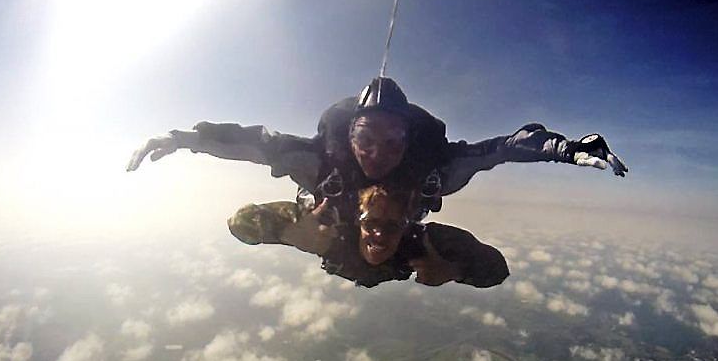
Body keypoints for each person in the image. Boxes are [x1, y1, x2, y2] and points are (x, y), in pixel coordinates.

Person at [126, 77, 628, 222]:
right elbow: (253, 143)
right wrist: (185, 138)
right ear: (348, 138)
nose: (378, 154)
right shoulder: (319, 162)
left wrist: (566, 149)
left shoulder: (436, 168)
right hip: (338, 226)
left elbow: (501, 147)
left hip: (392, 240)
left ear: (409, 142)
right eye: (365, 140)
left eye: (392, 142)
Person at [228, 183, 509, 289]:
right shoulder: (327, 229)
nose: (379, 234)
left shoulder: (427, 243)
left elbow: (496, 269)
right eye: (372, 222)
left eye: (392, 226)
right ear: (357, 220)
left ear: (407, 225)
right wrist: (294, 223)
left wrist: (452, 268)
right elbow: (241, 224)